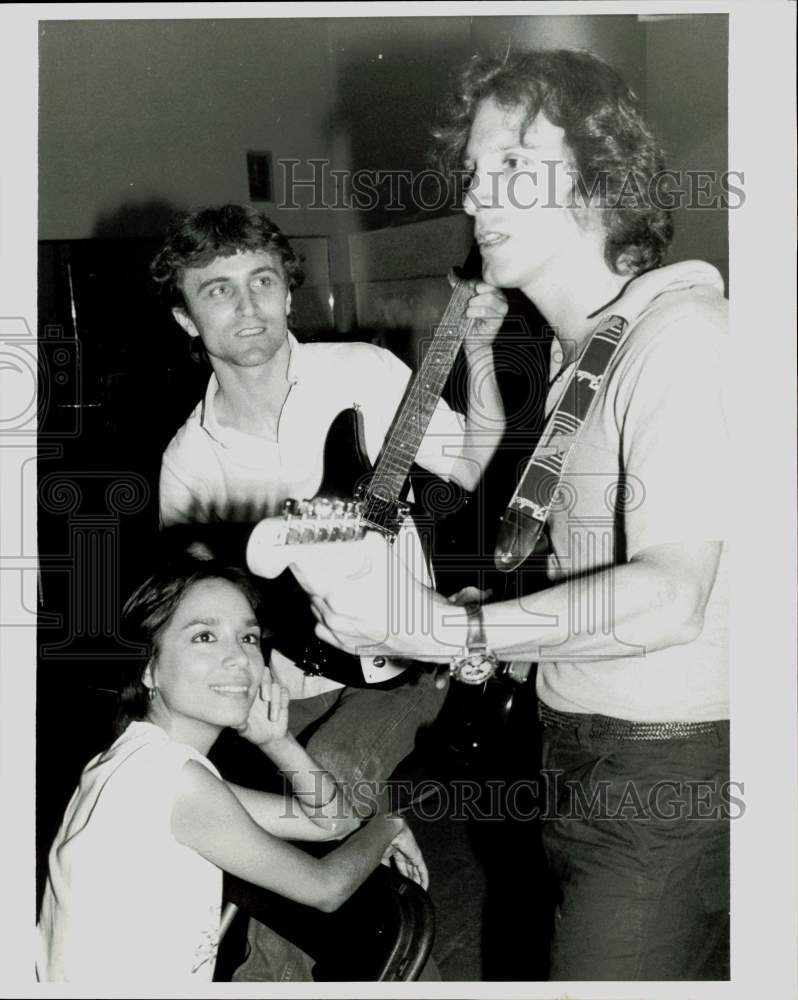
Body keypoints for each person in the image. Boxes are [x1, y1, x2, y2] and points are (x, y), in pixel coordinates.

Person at [271, 49, 731, 981]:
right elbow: (590, 586)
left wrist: (442, 625)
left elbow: (674, 596)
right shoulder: (583, 364)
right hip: (582, 753)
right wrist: (481, 638)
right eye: (476, 174)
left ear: (604, 178)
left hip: (663, 767)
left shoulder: (682, 336)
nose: (479, 198)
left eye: (516, 167)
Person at [149, 204, 505, 979]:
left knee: (332, 809)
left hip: (399, 662)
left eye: (263, 281)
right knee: (264, 863)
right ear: (186, 318)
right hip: (279, 687)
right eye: (218, 291)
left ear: (287, 292)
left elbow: (473, 460)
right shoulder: (189, 463)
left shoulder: (362, 374)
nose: (247, 307)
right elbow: (198, 608)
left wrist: (477, 351)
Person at [36, 558, 426, 983]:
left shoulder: (132, 761)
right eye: (205, 636)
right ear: (148, 667)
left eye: (248, 637)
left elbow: (334, 822)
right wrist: (387, 825)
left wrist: (277, 742)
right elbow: (325, 889)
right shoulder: (178, 785)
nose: (239, 658)